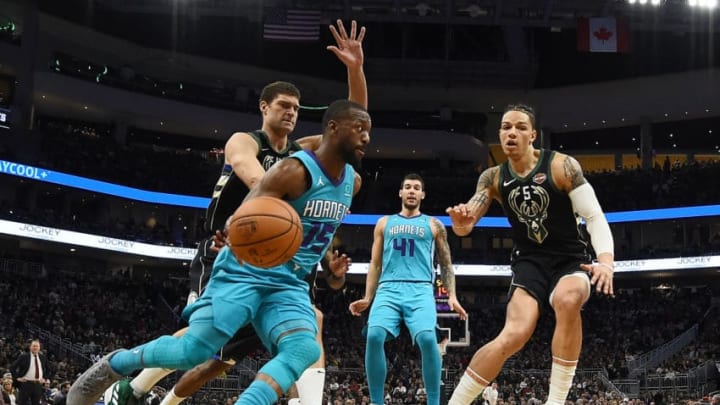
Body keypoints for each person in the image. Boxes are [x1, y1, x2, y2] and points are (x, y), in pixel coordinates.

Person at [102, 19, 367, 405]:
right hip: (229, 248)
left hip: (282, 262)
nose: (292, 113)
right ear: (264, 107)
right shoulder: (246, 141)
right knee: (199, 340)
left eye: (296, 108)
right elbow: (253, 176)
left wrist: (355, 70)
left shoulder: (303, 152)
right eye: (284, 106)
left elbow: (351, 122)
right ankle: (131, 387)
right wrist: (274, 200)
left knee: (226, 359)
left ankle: (168, 401)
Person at [444, 103, 615, 405]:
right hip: (529, 262)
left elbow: (594, 216)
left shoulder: (561, 166)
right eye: (506, 127)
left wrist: (605, 261)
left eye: (520, 127)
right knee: (514, 334)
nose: (512, 132)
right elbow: (467, 222)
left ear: (533, 135)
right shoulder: (492, 177)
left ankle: (556, 401)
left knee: (568, 298)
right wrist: (460, 223)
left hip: (570, 258)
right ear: (499, 134)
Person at [349, 173, 467, 405]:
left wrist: (451, 295)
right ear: (400, 192)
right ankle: (376, 401)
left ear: (423, 194)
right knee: (373, 336)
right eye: (407, 187)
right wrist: (367, 297)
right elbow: (375, 264)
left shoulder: (434, 224)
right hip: (388, 288)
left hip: (420, 288)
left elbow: (445, 263)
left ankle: (434, 402)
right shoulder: (384, 222)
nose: (412, 191)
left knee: (427, 339)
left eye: (416, 188)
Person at [10, 340, 51, 405]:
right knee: (22, 403)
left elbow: (49, 369)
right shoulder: (24, 356)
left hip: (38, 385)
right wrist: (17, 378)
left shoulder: (43, 357)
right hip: (26, 384)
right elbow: (12, 367)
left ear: (39, 348)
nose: (35, 348)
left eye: (37, 346)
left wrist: (45, 378)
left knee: (36, 403)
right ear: (30, 347)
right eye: (34, 346)